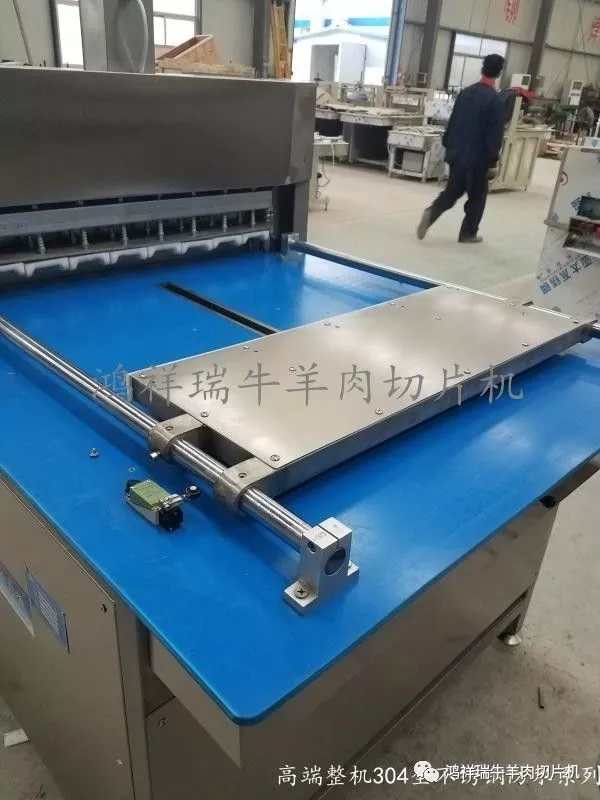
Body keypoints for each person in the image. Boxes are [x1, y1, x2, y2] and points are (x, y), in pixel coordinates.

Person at [417, 53, 506, 244]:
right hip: (478, 159)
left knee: (453, 191)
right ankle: (468, 233)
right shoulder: (495, 101)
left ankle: (431, 213)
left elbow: (452, 122)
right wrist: (493, 160)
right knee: (477, 197)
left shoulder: (466, 93)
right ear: (499, 73)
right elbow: (494, 135)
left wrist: (449, 146)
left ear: (482, 69)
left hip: (457, 154)